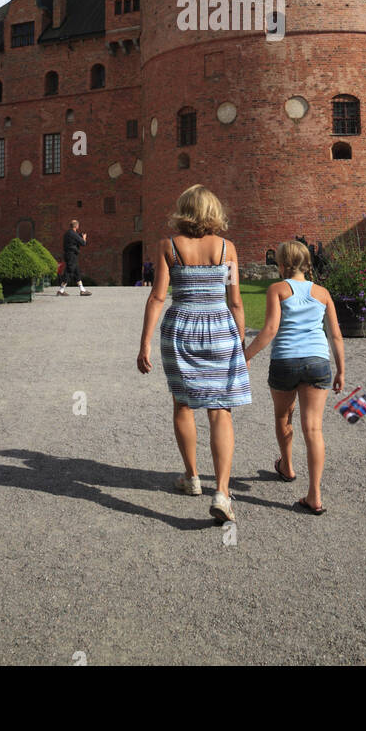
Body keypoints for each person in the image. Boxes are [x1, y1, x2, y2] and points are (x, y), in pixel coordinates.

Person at [137, 185, 250, 524]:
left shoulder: (168, 247)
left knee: (183, 404)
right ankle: (223, 493)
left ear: (183, 211)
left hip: (181, 328)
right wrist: (239, 343)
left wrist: (143, 343)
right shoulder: (227, 249)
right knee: (220, 410)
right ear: (213, 212)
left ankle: (192, 478)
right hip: (220, 330)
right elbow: (235, 301)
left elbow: (157, 297)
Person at [244, 239, 344, 515]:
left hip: (285, 361)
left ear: (284, 265)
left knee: (283, 417)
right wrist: (341, 370)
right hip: (317, 362)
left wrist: (245, 356)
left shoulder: (277, 289)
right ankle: (315, 495)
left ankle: (287, 466)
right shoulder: (322, 293)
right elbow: (335, 334)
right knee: (313, 429)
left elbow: (270, 330)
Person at [58, 218, 90, 296]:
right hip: (71, 255)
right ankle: (61, 290)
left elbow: (73, 241)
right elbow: (83, 243)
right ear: (77, 226)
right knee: (68, 272)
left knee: (77, 272)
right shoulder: (73, 234)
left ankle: (82, 290)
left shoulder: (67, 233)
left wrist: (79, 236)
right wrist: (84, 237)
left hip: (69, 255)